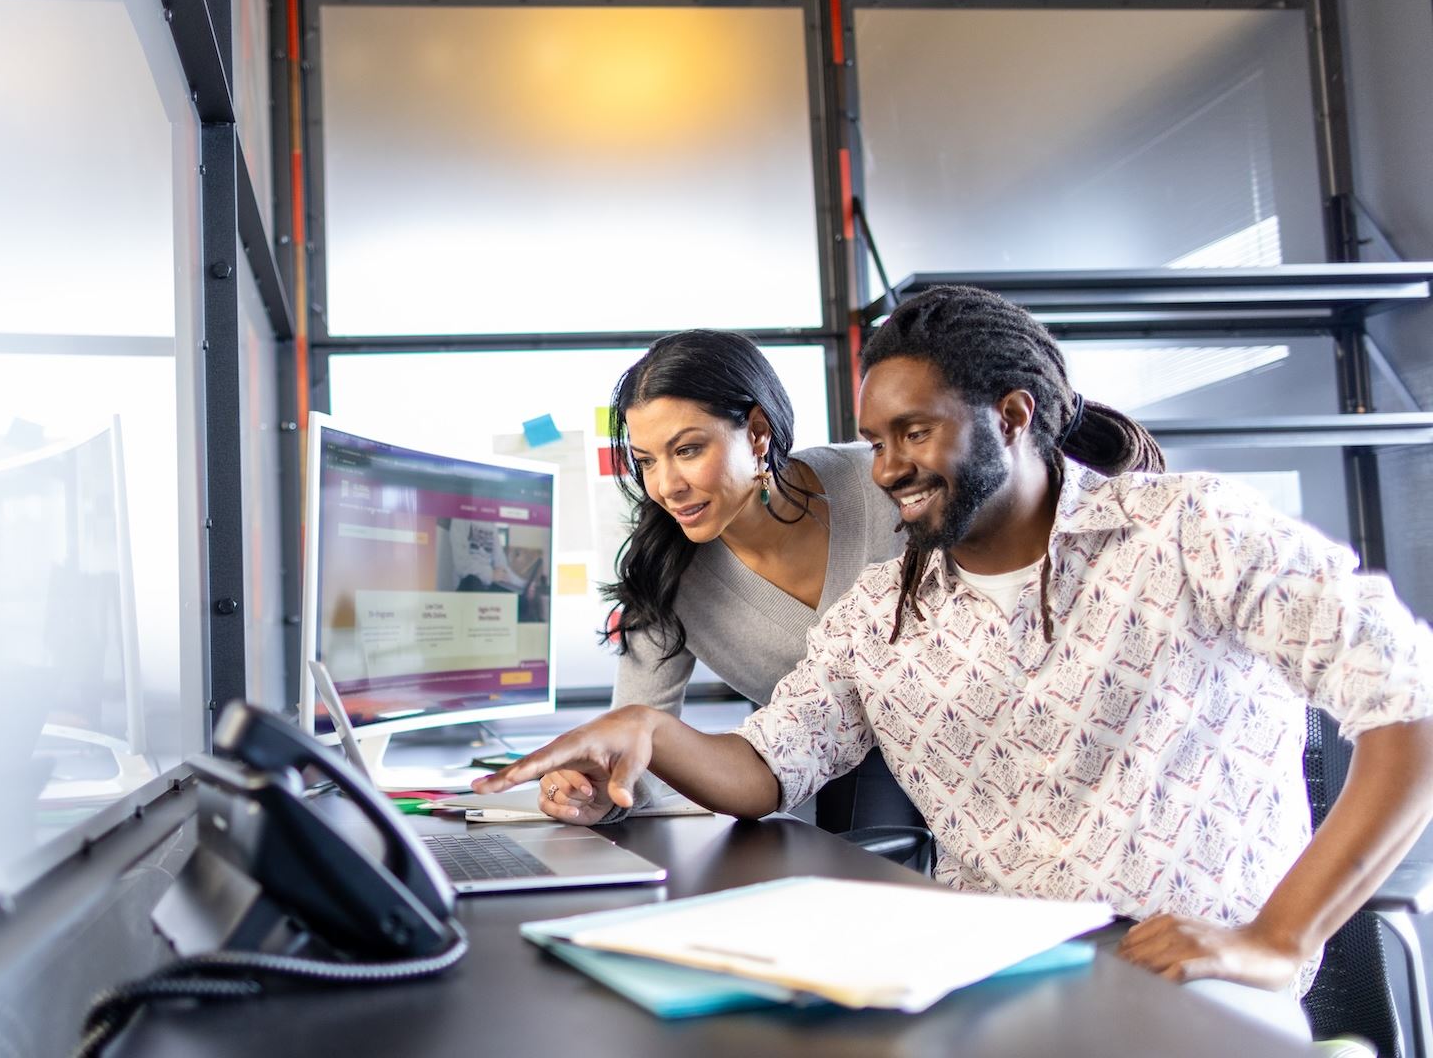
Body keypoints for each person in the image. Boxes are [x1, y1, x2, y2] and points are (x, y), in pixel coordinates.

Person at [477, 286, 1433, 1038]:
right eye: (876, 442)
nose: (887, 467)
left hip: (1189, 989)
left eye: (914, 433)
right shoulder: (883, 611)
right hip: (991, 987)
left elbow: (1412, 700)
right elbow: (768, 768)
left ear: (1011, 416)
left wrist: (1279, 938)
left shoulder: (1189, 532)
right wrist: (650, 727)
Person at [575, 329, 913, 830]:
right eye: (646, 461)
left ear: (757, 432)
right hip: (804, 791)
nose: (665, 486)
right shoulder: (666, 572)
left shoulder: (885, 484)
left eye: (687, 450)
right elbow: (638, 738)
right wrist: (597, 789)